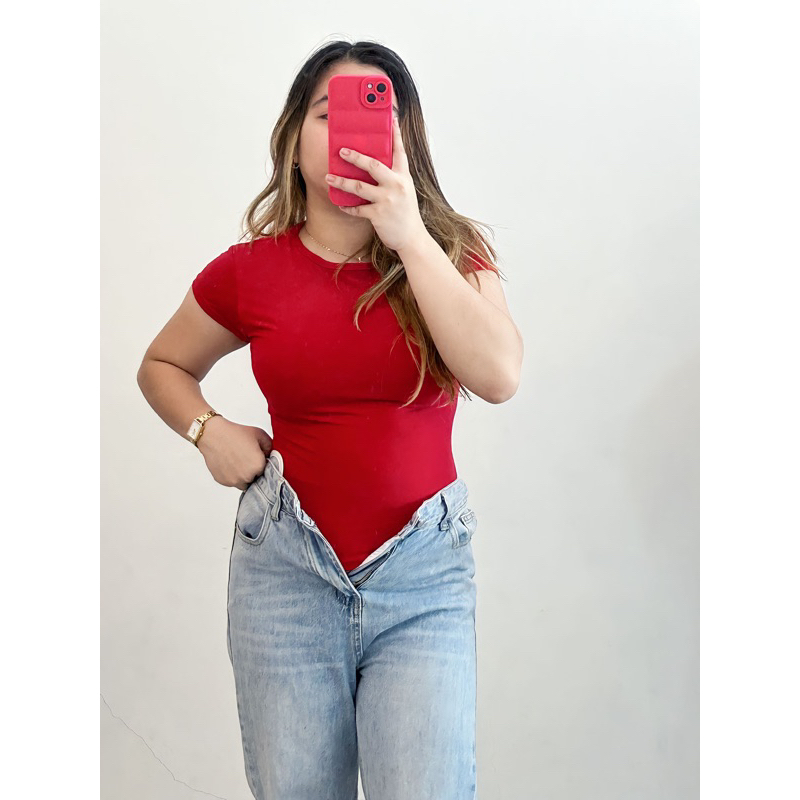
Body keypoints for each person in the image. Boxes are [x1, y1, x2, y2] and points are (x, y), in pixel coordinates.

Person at [137, 38, 523, 800]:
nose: (349, 131)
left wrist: (408, 235)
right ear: (292, 139)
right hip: (286, 574)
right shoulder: (249, 271)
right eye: (326, 112)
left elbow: (499, 374)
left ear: (406, 140)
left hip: (423, 577)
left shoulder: (451, 252)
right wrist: (207, 431)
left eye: (380, 114)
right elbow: (162, 366)